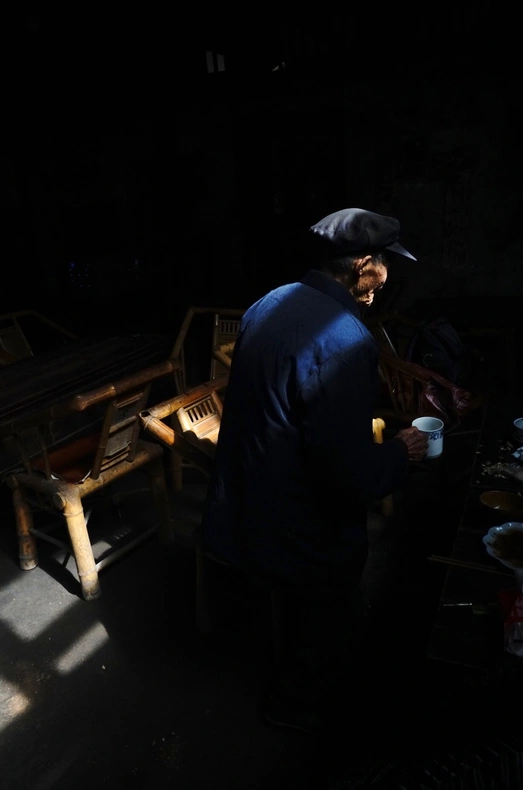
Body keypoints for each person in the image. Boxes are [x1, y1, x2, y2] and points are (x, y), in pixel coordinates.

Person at [200, 207, 428, 734]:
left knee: (298, 612)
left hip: (244, 502)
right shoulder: (345, 340)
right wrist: (401, 452)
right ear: (364, 266)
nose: (387, 278)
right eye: (386, 265)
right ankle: (297, 707)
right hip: (297, 528)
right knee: (327, 608)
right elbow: (350, 476)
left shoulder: (268, 303)